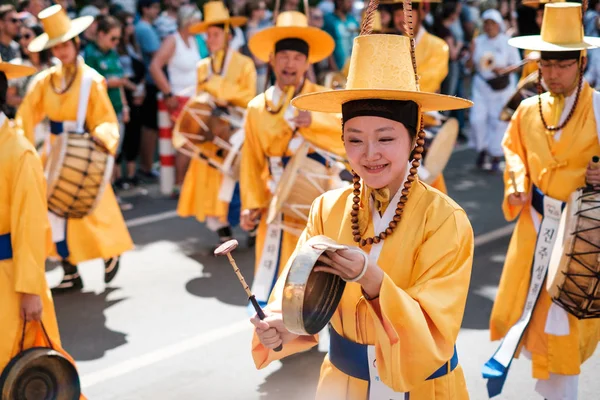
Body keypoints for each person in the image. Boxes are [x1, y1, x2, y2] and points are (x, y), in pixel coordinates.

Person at [250, 28, 475, 400]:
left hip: (422, 387)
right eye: (354, 139)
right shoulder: (328, 207)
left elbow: (434, 330)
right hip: (343, 384)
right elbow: (299, 289)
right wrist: (281, 323)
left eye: (386, 138)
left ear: (415, 136)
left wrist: (371, 280)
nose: (369, 154)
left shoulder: (444, 218)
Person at [482, 4, 600, 400]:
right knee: (533, 320)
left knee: (562, 322)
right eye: (544, 65)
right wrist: (516, 182)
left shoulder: (599, 109)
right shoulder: (528, 110)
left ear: (580, 62)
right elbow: (512, 152)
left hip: (579, 236)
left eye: (561, 66)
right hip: (534, 226)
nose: (550, 74)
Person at [16, 4, 134, 293]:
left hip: (84, 153)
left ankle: (110, 253)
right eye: (56, 47)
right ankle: (70, 270)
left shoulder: (91, 80)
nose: (62, 51)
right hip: (55, 152)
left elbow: (106, 118)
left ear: (75, 42)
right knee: (50, 211)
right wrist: (20, 147)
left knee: (95, 208)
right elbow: (26, 117)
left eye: (66, 44)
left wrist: (102, 138)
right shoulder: (45, 81)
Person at [240, 10, 345, 308]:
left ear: (307, 62)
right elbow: (251, 161)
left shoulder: (323, 100)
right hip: (277, 197)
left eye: (297, 57)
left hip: (318, 198)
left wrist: (316, 123)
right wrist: (251, 202)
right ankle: (279, 330)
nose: (290, 63)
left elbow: (346, 141)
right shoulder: (257, 107)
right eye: (283, 55)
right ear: (272, 59)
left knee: (318, 272)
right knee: (275, 276)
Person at [0, 55, 64, 379]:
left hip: (11, 282)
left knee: (15, 373)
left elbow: (29, 226)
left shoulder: (19, 152)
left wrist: (29, 290)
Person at [176, 1, 256, 246]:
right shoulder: (203, 67)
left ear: (227, 35)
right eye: (208, 35)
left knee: (243, 177)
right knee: (208, 176)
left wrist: (219, 89)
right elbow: (201, 100)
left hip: (238, 130)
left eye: (215, 34)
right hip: (213, 132)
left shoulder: (244, 64)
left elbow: (250, 98)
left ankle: (250, 224)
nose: (210, 39)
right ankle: (223, 230)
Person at [386, 0, 452, 194]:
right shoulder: (389, 46)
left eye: (407, 12)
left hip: (422, 124)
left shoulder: (438, 46)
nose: (401, 19)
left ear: (421, 13)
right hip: (390, 122)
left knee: (426, 185)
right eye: (397, 14)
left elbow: (426, 84)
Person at [149, 4, 202, 198]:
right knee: (185, 144)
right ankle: (179, 184)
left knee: (193, 143)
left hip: (194, 98)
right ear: (188, 21)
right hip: (179, 98)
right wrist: (168, 92)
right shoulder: (173, 40)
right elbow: (155, 66)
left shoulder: (195, 41)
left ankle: (188, 183)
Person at [469, 8, 521, 173]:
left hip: (502, 88)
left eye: (492, 23)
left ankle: (496, 156)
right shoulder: (478, 41)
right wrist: (470, 54)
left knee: (498, 122)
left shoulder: (507, 42)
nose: (489, 26)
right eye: (487, 23)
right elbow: (468, 66)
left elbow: (517, 65)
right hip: (482, 86)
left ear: (498, 25)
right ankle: (483, 149)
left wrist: (503, 70)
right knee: (477, 120)